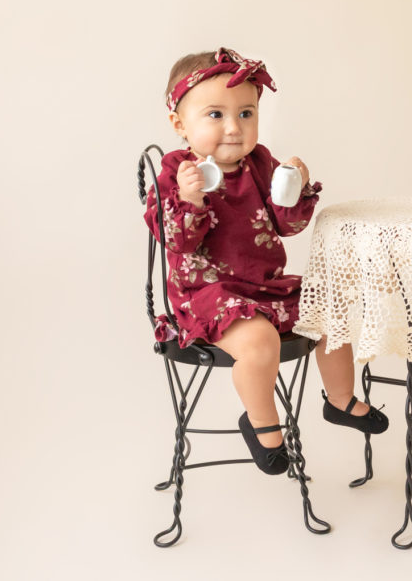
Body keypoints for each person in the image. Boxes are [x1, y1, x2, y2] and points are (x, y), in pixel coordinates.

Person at [145, 48, 387, 476]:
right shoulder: (174, 175)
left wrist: (294, 188)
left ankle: (340, 399)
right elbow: (177, 243)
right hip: (208, 298)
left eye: (246, 114)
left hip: (264, 288)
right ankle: (261, 424)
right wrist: (189, 198)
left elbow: (287, 226)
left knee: (330, 309)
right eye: (215, 115)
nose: (234, 128)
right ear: (180, 125)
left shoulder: (259, 164)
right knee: (260, 342)